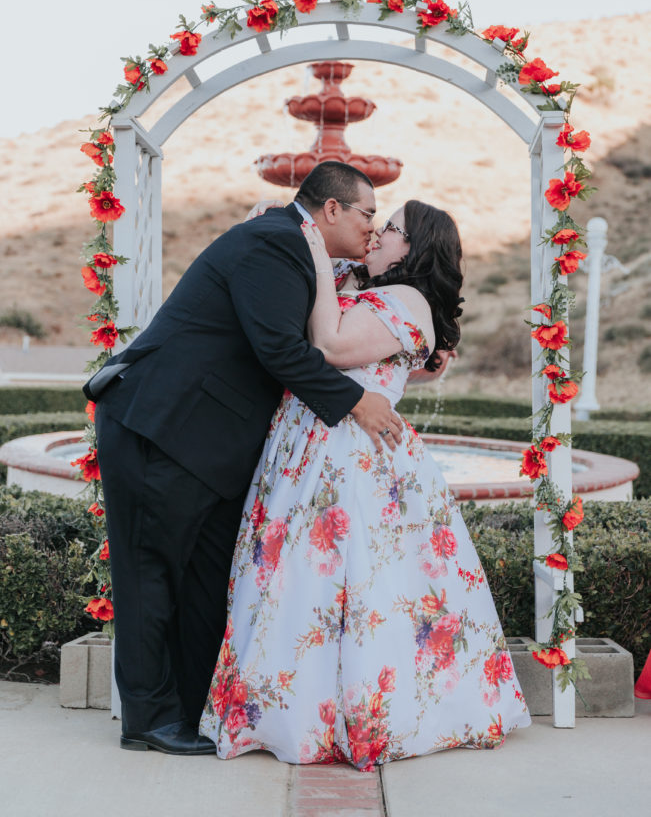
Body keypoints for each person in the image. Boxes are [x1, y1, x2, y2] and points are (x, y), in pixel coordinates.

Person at [85, 162, 404, 755]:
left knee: (209, 583)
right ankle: (149, 720)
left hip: (212, 447)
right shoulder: (273, 243)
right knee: (151, 574)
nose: (373, 227)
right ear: (330, 209)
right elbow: (279, 347)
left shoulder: (301, 251)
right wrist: (358, 402)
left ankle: (195, 706)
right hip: (165, 427)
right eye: (367, 214)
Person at [200, 200, 531, 769]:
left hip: (351, 458)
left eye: (391, 229)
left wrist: (311, 244)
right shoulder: (367, 288)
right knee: (302, 587)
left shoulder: (408, 300)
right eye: (376, 225)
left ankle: (357, 716)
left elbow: (328, 346)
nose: (375, 236)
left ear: (416, 246)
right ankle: (292, 709)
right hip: (312, 448)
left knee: (351, 587)